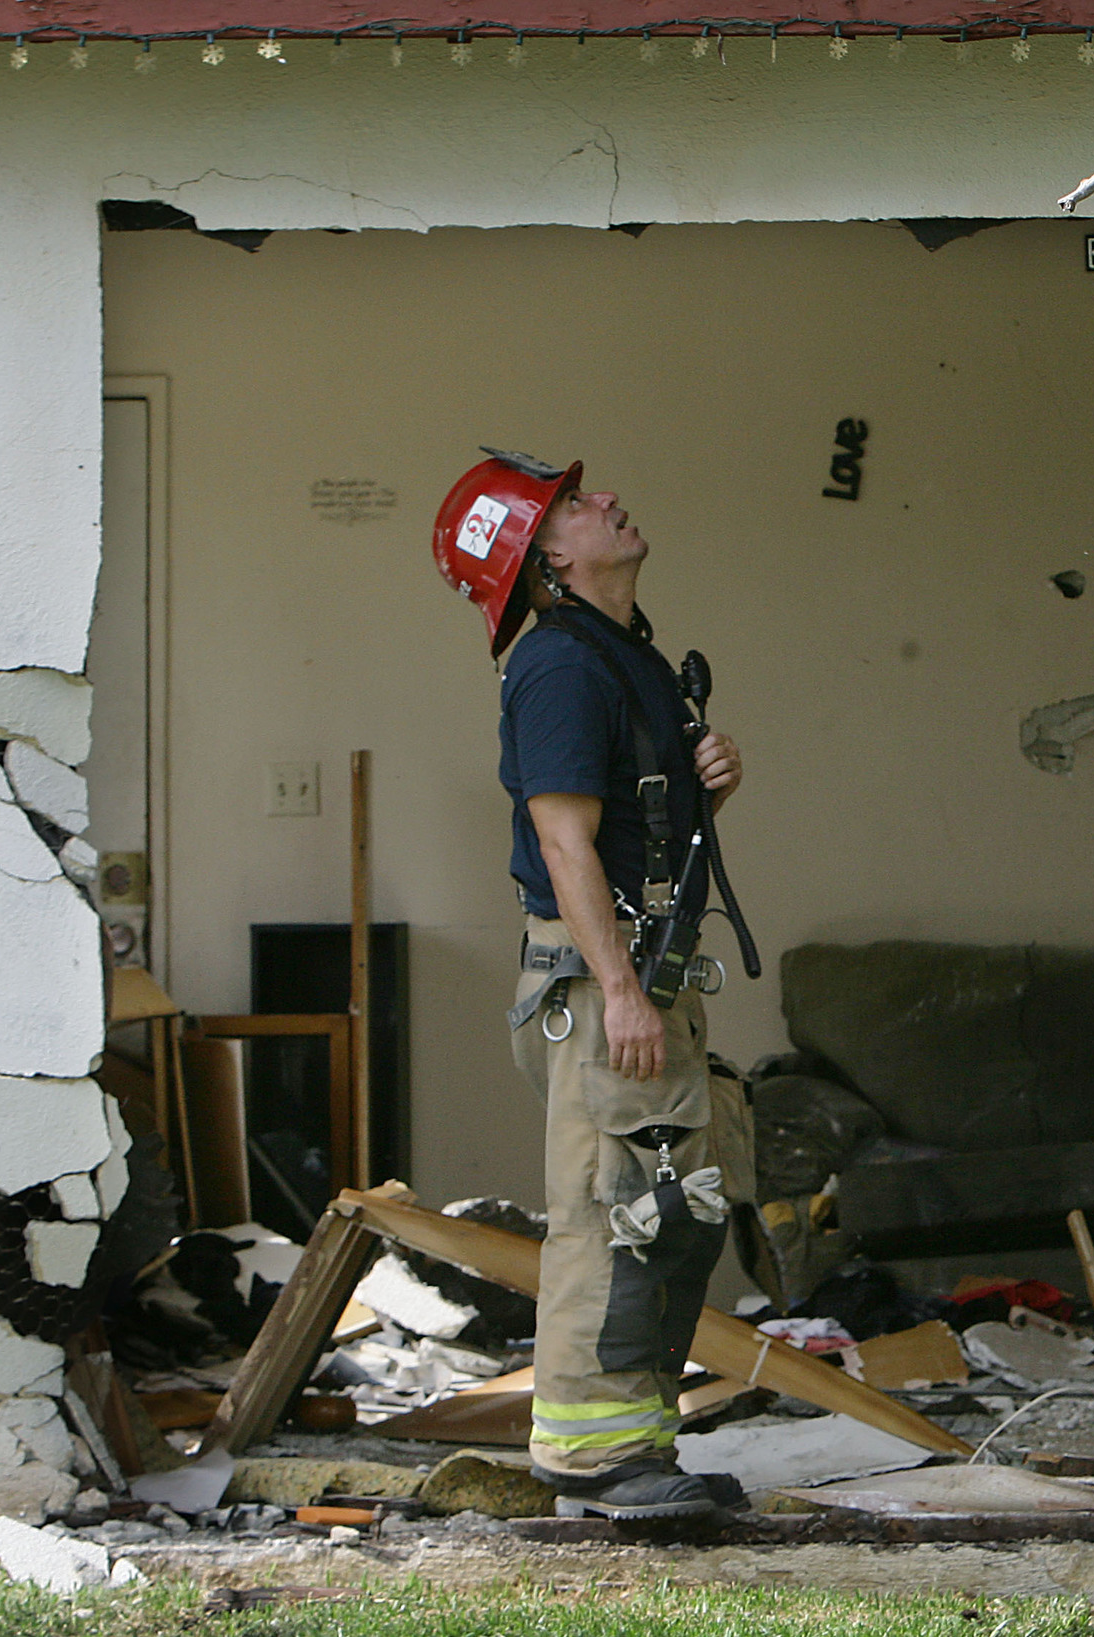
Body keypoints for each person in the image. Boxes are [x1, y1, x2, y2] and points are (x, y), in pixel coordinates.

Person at [431, 449, 753, 1519]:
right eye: (572, 505)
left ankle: (634, 1450)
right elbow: (562, 843)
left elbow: (622, 827)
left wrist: (706, 781)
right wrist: (619, 989)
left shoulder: (623, 656)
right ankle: (588, 1462)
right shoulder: (564, 666)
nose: (605, 498)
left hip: (632, 976)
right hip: (602, 984)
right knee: (608, 1213)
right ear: (548, 563)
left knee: (661, 1215)